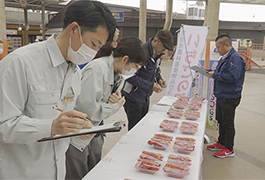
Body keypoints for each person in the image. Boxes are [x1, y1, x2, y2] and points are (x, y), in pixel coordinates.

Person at [0, 1, 116, 179]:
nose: (94, 52)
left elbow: (63, 117)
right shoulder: (20, 63)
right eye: (94, 44)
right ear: (74, 29)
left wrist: (79, 128)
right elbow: (3, 125)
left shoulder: (74, 72)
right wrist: (52, 126)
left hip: (56, 172)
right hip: (22, 173)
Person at [65, 37, 148, 179]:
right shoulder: (98, 70)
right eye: (136, 66)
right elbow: (88, 110)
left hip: (95, 131)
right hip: (79, 134)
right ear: (125, 59)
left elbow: (105, 103)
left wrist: (111, 104)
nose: (134, 70)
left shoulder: (117, 74)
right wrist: (113, 106)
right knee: (79, 175)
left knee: (94, 173)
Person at [121, 29, 174, 130]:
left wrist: (159, 79)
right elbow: (129, 76)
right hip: (133, 96)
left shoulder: (157, 55)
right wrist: (151, 85)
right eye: (163, 48)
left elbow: (156, 70)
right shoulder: (141, 52)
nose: (163, 51)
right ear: (155, 41)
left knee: (142, 125)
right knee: (135, 128)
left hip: (145, 96)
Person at [206, 34, 246, 158]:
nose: (217, 50)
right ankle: (221, 142)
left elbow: (232, 77)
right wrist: (209, 72)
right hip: (222, 94)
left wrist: (215, 75)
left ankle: (229, 148)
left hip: (230, 96)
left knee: (228, 122)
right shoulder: (225, 58)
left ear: (227, 45)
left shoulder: (235, 58)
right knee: (221, 120)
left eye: (218, 47)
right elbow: (222, 72)